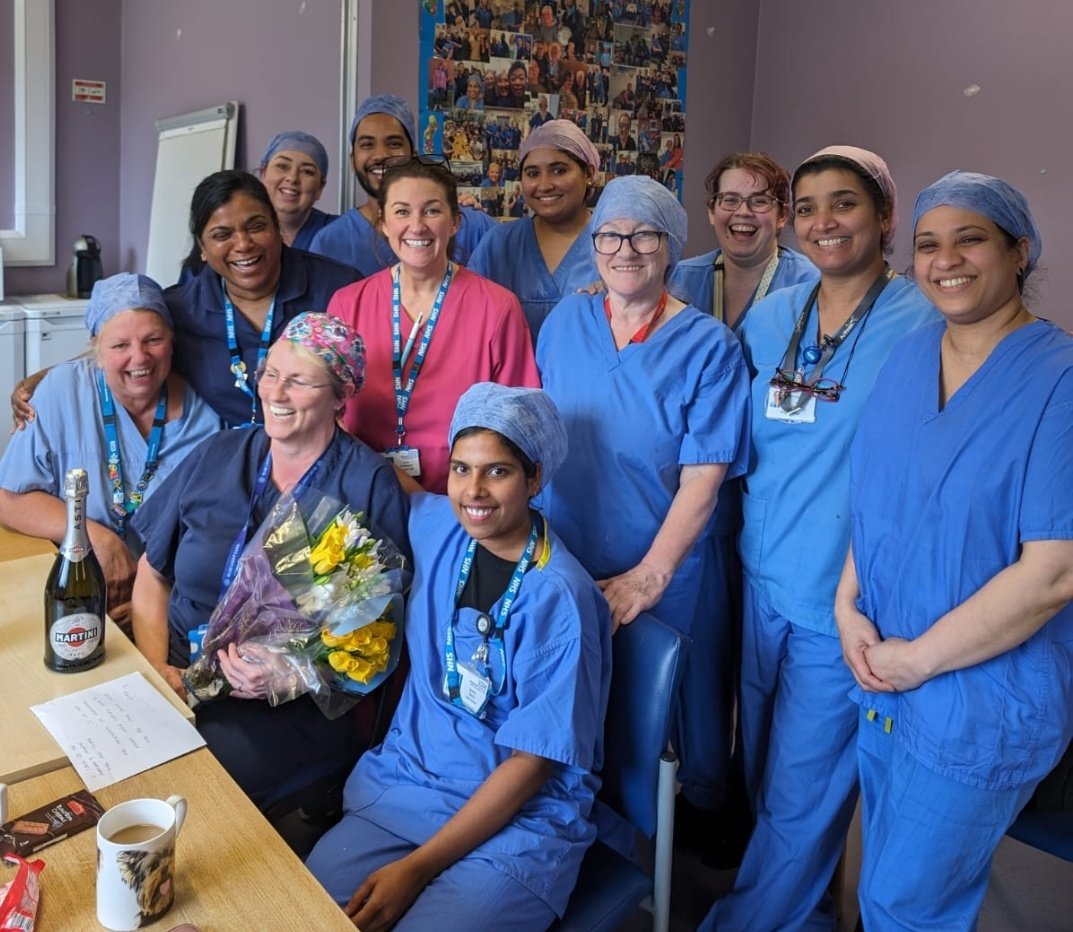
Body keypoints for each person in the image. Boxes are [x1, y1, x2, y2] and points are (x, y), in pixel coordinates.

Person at [699, 147, 937, 932]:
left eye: (844, 204)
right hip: (761, 578)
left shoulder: (924, 325)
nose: (822, 222)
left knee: (804, 787)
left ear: (884, 217)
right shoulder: (769, 319)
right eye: (806, 207)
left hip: (845, 600)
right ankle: (794, 909)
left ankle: (751, 920)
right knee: (764, 766)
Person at [836, 172, 1073, 929]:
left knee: (904, 904)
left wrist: (918, 661)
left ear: (1018, 251)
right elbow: (872, 501)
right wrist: (846, 606)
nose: (945, 260)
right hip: (883, 674)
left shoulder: (1058, 381)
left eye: (969, 238)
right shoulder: (909, 357)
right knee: (885, 884)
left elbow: (1053, 573)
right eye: (927, 245)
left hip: (977, 699)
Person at [306, 382, 612, 932]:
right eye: (461, 469)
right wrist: (313, 399)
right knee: (303, 903)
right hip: (415, 779)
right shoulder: (440, 527)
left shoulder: (561, 598)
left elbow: (533, 763)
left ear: (535, 477)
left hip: (520, 818)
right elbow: (386, 476)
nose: (475, 491)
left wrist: (416, 870)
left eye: (498, 471)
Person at [536, 175, 750, 853]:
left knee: (649, 720)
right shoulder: (567, 318)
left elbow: (703, 479)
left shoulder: (709, 347)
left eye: (643, 234)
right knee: (569, 706)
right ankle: (568, 839)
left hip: (658, 562)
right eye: (609, 235)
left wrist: (650, 576)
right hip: (566, 548)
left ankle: (640, 851)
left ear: (670, 246)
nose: (623, 249)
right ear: (592, 244)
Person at [129, 313, 411, 811]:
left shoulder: (367, 485)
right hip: (173, 667)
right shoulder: (219, 452)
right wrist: (156, 671)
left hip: (279, 705)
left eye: (299, 381)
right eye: (271, 374)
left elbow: (374, 639)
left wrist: (289, 674)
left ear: (340, 395)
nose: (276, 393)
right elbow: (152, 575)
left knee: (181, 789)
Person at [0, 274, 220, 627]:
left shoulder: (205, 420)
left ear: (172, 342)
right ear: (96, 350)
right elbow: (10, 499)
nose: (139, 357)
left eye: (154, 339)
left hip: (166, 604)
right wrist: (95, 537)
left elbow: (210, 535)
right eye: (119, 346)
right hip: (70, 590)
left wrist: (157, 604)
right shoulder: (61, 391)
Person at [326, 157, 539, 494]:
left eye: (431, 210)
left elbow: (516, 421)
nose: (417, 225)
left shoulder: (497, 308)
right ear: (383, 223)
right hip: (363, 494)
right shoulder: (347, 305)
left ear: (455, 222)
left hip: (463, 502)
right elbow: (328, 411)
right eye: (401, 211)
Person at [309, 95, 495, 276]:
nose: (380, 155)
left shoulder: (472, 226)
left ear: (413, 155)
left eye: (394, 143)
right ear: (352, 160)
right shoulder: (330, 242)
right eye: (367, 144)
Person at [469, 120, 601, 340]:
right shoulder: (499, 244)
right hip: (508, 374)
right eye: (532, 173)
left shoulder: (616, 244)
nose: (544, 185)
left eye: (558, 170)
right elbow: (468, 320)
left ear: (588, 173)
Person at [670, 152, 817, 330]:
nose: (743, 212)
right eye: (730, 200)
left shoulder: (811, 283)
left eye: (759, 201)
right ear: (711, 212)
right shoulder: (677, 281)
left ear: (782, 216)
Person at [257, 131, 338, 251]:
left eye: (306, 171)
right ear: (263, 174)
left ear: (320, 187)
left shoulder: (339, 233)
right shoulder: (242, 231)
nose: (292, 178)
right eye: (282, 166)